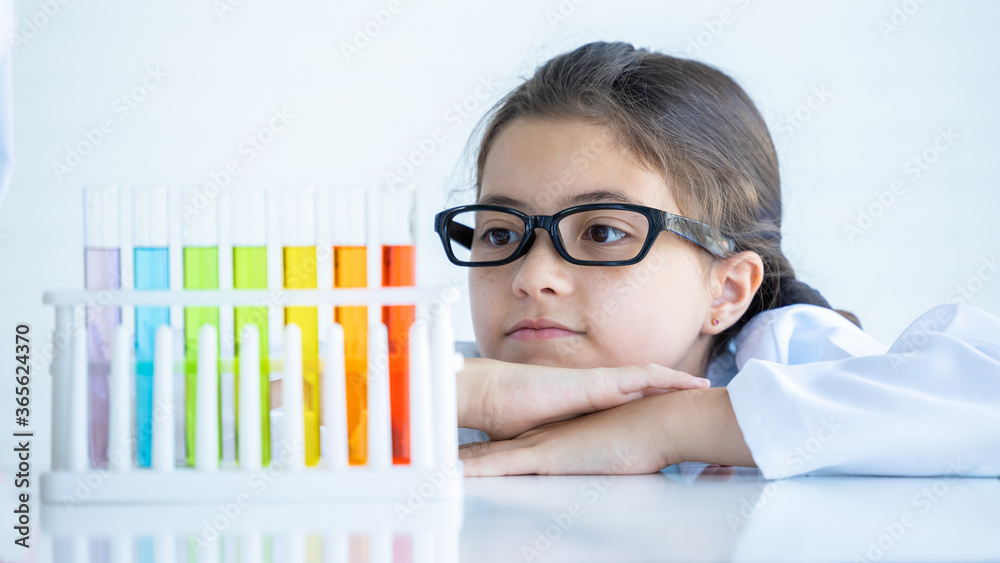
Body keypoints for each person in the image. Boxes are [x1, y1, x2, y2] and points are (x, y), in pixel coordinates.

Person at [442, 41, 1000, 479]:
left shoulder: (780, 356)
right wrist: (471, 396)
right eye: (499, 234)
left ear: (727, 291)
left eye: (604, 231)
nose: (532, 277)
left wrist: (664, 427)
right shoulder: (450, 392)